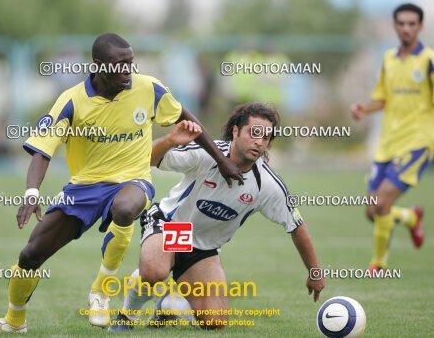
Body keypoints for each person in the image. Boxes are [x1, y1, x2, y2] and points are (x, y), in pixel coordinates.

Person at [0, 33, 243, 334]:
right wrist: (32, 192)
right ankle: (14, 321)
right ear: (99, 66)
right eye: (119, 65)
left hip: (133, 180)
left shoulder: (148, 89)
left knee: (126, 209)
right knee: (30, 256)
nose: (127, 71)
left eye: (130, 63)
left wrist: (221, 160)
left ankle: (102, 292)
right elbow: (42, 151)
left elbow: (187, 117)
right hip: (83, 189)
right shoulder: (71, 101)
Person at [109, 102, 325, 330]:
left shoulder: (268, 185)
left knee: (215, 321)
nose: (259, 142)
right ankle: (128, 316)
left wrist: (314, 271)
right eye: (254, 133)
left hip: (205, 248)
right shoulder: (207, 153)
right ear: (235, 131)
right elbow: (149, 159)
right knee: (155, 271)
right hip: (173, 226)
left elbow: (296, 226)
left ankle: (167, 305)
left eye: (266, 138)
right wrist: (170, 140)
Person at [350, 3, 434, 272]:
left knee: (383, 201)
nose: (406, 28)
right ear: (395, 26)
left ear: (420, 27)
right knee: (371, 211)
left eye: (412, 23)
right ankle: (410, 217)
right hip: (387, 143)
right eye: (402, 23)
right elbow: (382, 99)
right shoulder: (388, 59)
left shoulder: (428, 60)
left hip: (417, 141)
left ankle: (379, 263)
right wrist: (364, 108)